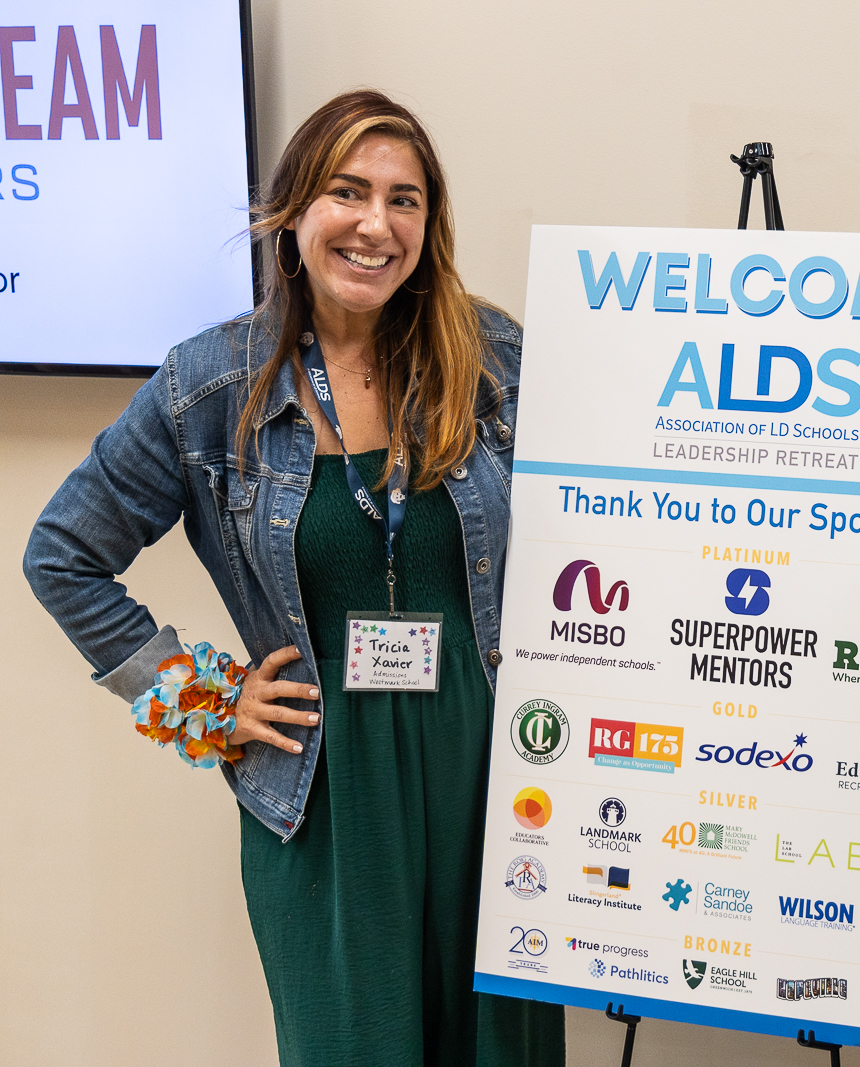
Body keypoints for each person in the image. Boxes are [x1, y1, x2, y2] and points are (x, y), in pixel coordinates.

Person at [23, 90, 563, 1067]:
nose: (375, 223)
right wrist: (198, 703)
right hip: (323, 793)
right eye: (347, 191)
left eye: (405, 199)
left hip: (496, 776)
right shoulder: (210, 385)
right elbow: (62, 553)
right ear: (295, 212)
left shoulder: (494, 361)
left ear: (428, 225)